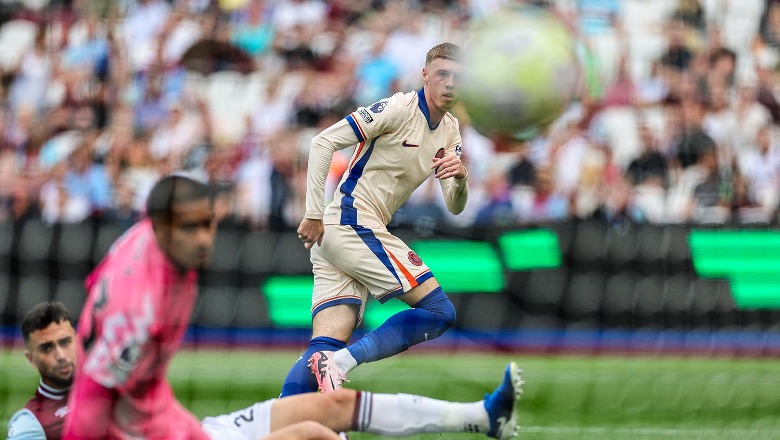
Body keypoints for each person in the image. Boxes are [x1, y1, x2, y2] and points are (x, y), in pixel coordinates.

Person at [11, 305, 524, 440]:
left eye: (64, 341)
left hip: (205, 433)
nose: (61, 354)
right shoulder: (32, 424)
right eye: (47, 348)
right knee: (309, 434)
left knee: (330, 405)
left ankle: (484, 417)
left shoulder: (108, 374)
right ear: (29, 357)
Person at [286, 42, 470, 396]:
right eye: (442, 74)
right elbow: (322, 143)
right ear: (425, 76)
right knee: (439, 311)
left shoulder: (450, 130)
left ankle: (279, 425)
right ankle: (343, 363)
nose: (449, 83)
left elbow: (455, 205)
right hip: (351, 222)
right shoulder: (398, 108)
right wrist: (313, 212)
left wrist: (460, 177)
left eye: (457, 77)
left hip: (343, 235)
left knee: (323, 348)